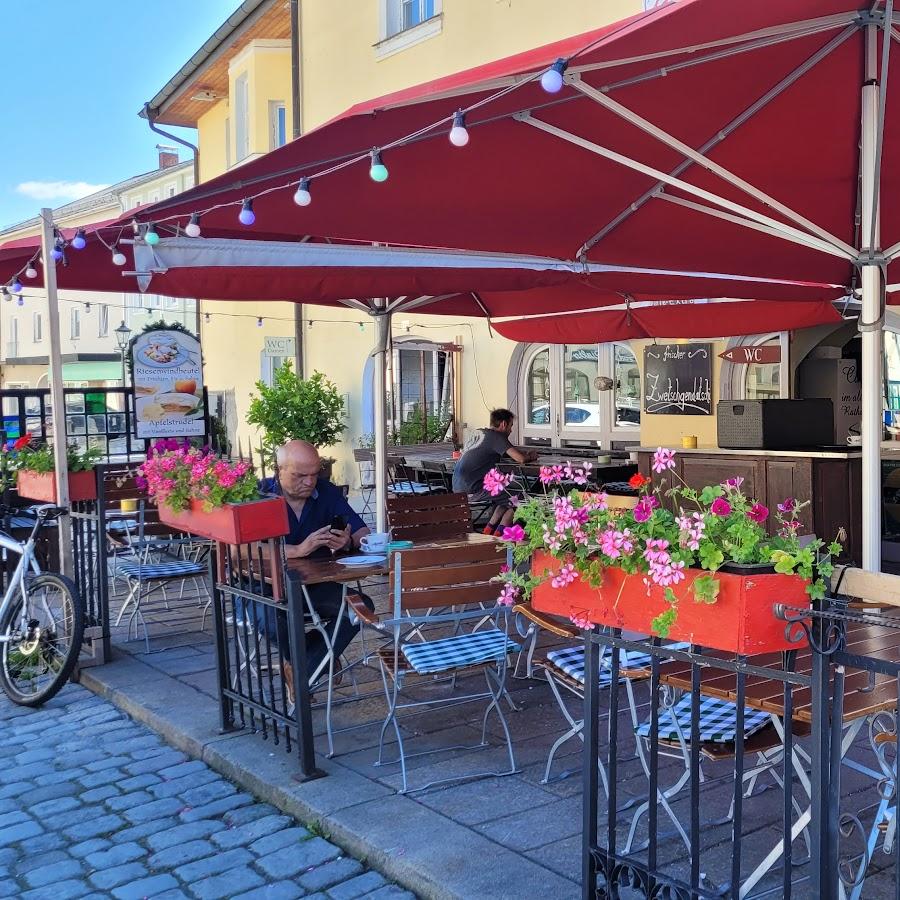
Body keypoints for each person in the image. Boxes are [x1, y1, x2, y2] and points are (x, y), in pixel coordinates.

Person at [257, 440, 374, 696]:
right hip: (262, 586)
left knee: (359, 606)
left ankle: (304, 667)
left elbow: (363, 531)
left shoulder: (326, 491)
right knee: (275, 618)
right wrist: (297, 550)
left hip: (313, 584)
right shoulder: (259, 494)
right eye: (300, 475)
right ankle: (321, 658)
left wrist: (348, 540)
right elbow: (239, 549)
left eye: (314, 474)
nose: (310, 482)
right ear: (279, 469)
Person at [452, 408, 538, 533]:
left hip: (457, 488)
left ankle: (489, 528)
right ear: (503, 424)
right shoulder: (497, 437)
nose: (511, 430)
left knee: (505, 492)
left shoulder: (479, 433)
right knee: (519, 496)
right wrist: (531, 456)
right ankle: (501, 533)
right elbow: (520, 459)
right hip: (474, 489)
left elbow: (501, 452)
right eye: (511, 426)